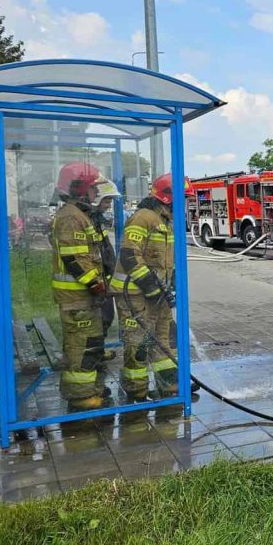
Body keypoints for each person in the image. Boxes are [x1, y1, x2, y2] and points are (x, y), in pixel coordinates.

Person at [50, 162, 112, 411]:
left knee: (91, 342)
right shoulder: (71, 216)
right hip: (76, 297)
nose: (96, 193)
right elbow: (74, 258)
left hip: (84, 297)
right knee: (80, 346)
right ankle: (80, 396)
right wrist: (95, 284)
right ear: (80, 189)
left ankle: (90, 388)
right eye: (93, 188)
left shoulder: (79, 214)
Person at [111, 173, 178, 400]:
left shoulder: (165, 221)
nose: (186, 202)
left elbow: (165, 261)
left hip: (157, 294)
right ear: (168, 197)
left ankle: (169, 383)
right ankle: (136, 390)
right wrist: (151, 287)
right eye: (183, 197)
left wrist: (171, 283)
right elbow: (130, 255)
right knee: (137, 343)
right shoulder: (143, 218)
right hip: (135, 295)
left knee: (164, 339)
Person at [90, 179, 121, 362]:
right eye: (107, 201)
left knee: (105, 317)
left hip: (103, 277)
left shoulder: (96, 220)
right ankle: (94, 358)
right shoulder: (88, 220)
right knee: (99, 319)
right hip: (94, 280)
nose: (109, 206)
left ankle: (98, 353)